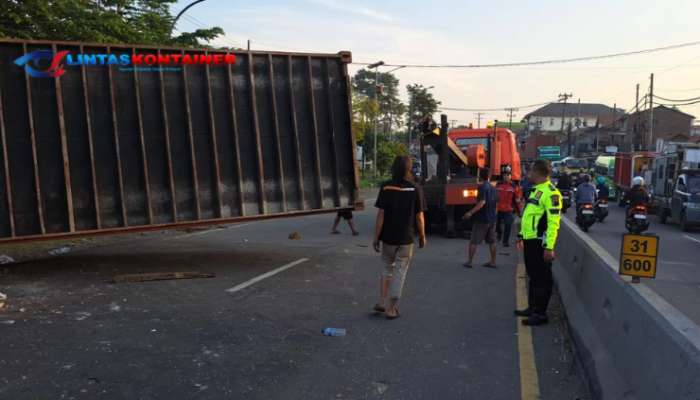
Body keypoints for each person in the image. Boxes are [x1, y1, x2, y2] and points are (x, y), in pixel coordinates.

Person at [372, 155, 427, 320]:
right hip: (405, 238)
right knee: (400, 272)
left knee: (386, 267)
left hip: (388, 237)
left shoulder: (386, 187)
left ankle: (381, 302)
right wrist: (422, 235)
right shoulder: (416, 188)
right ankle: (391, 309)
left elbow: (381, 213)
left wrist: (376, 237)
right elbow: (419, 216)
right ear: (409, 169)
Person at [516, 160, 562, 326]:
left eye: (531, 172)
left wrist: (549, 246)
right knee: (533, 275)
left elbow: (553, 222)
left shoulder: (551, 194)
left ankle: (541, 314)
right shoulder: (537, 191)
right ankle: (533, 307)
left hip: (540, 243)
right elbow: (529, 217)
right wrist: (521, 236)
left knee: (542, 278)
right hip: (530, 241)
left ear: (536, 173)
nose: (529, 174)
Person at [462, 168, 499, 268]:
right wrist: (494, 215)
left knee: (474, 241)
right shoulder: (494, 188)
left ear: (480, 177)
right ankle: (493, 261)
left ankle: (470, 262)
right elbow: (496, 204)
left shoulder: (482, 188)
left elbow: (482, 202)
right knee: (492, 241)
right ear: (490, 176)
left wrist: (470, 212)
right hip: (492, 219)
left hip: (482, 218)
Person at [495, 171, 522, 247]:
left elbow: (517, 200)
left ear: (510, 177)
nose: (506, 177)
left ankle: (505, 241)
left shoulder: (514, 187)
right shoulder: (498, 184)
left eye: (507, 175)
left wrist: (519, 210)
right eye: (504, 175)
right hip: (499, 209)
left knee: (508, 225)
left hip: (508, 209)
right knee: (496, 224)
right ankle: (499, 232)